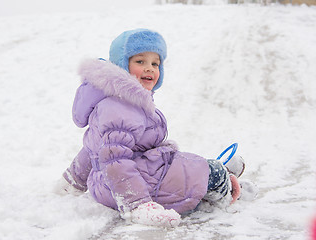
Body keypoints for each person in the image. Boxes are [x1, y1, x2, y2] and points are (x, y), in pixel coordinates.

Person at [55, 29, 247, 227]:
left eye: (155, 63)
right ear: (122, 65)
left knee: (186, 165)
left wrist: (72, 181)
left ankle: (214, 173)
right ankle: (225, 185)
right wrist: (137, 205)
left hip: (122, 179)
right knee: (202, 172)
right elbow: (114, 159)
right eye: (140, 62)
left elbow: (92, 149)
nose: (149, 68)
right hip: (127, 186)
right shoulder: (120, 107)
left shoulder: (120, 100)